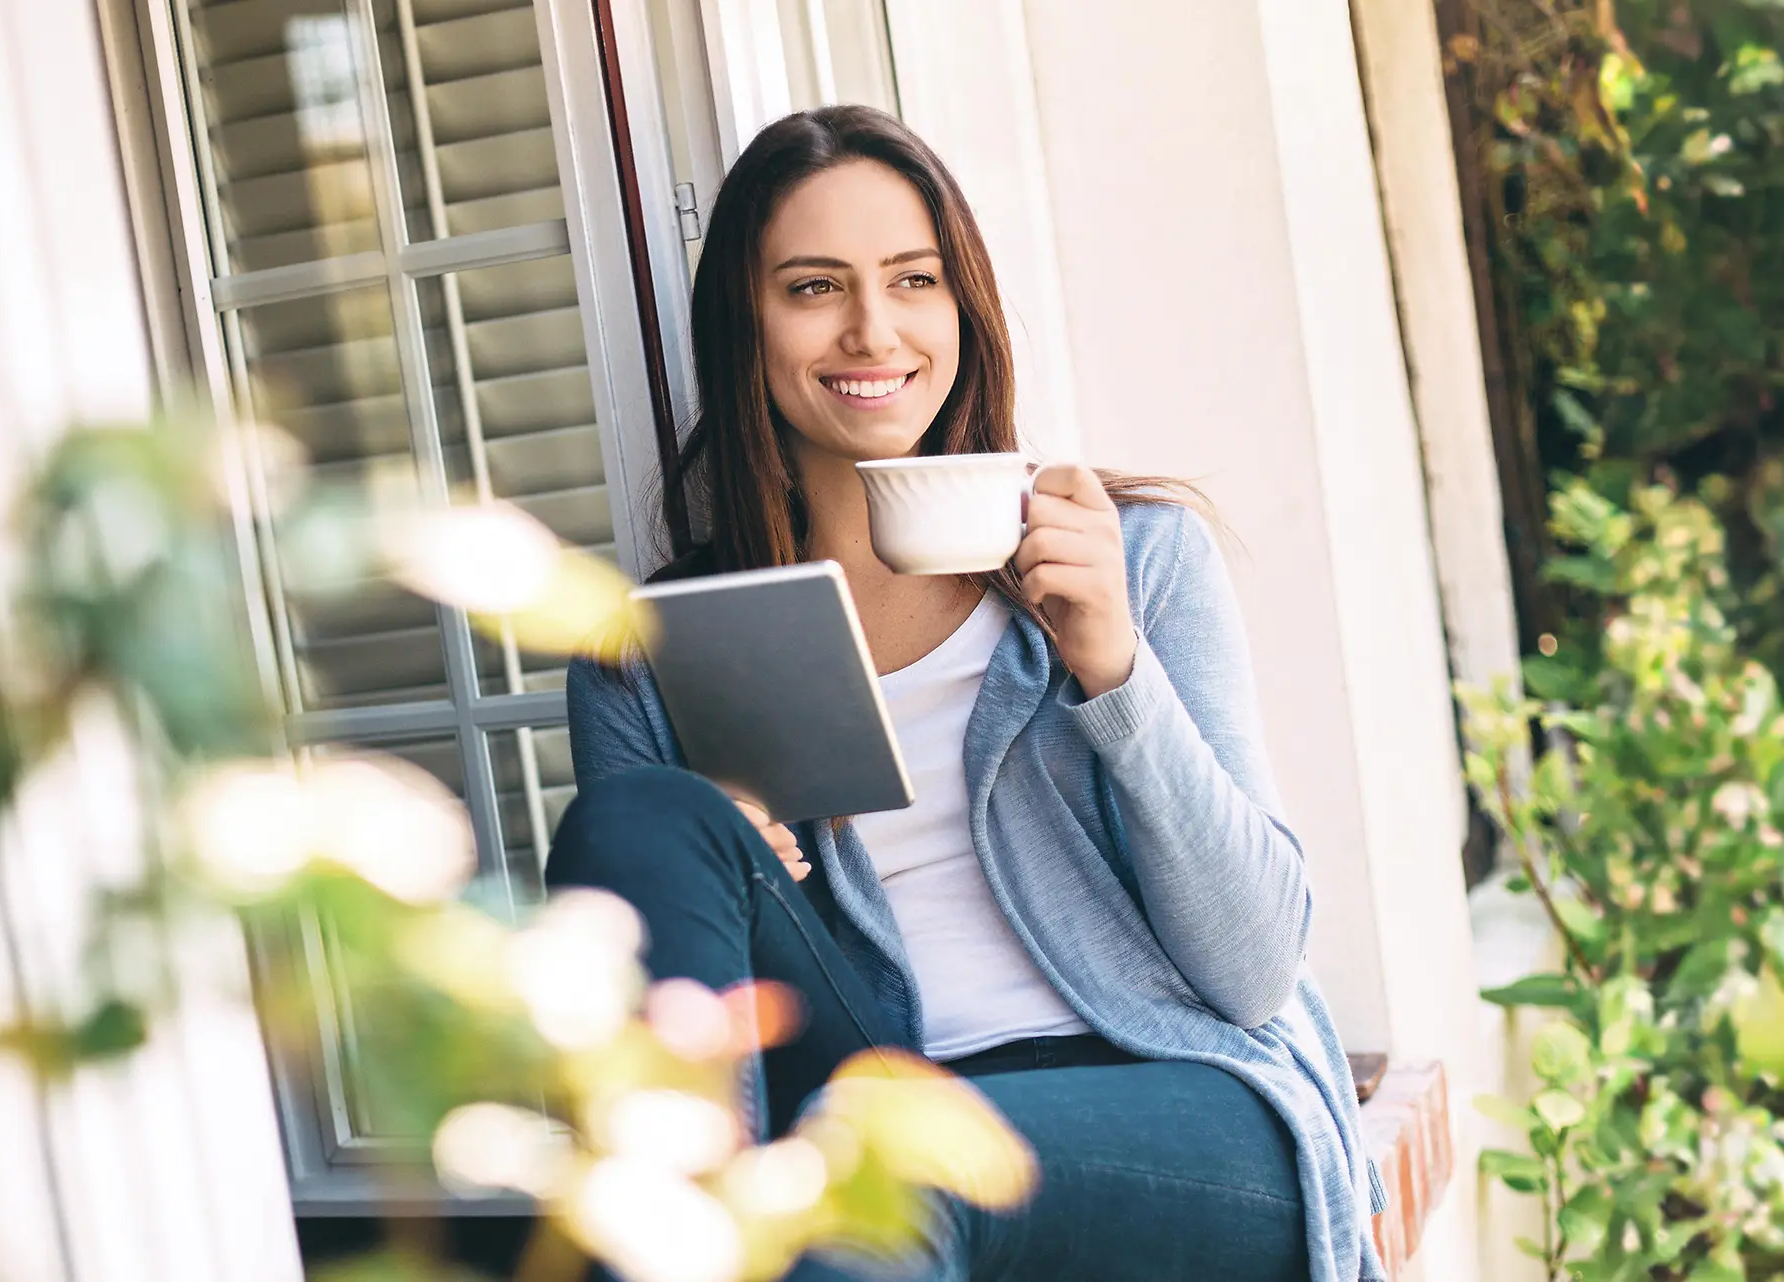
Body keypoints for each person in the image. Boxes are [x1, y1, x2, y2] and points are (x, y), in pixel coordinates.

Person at [549, 105, 1384, 1281]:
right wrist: (734, 871)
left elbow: (1251, 968)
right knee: (645, 819)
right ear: (746, 325)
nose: (872, 328)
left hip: (1175, 1098)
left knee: (889, 1167)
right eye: (812, 288)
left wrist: (1113, 669)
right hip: (862, 1107)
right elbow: (683, 1038)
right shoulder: (657, 656)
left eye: (913, 279)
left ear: (963, 307)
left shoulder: (1131, 557)